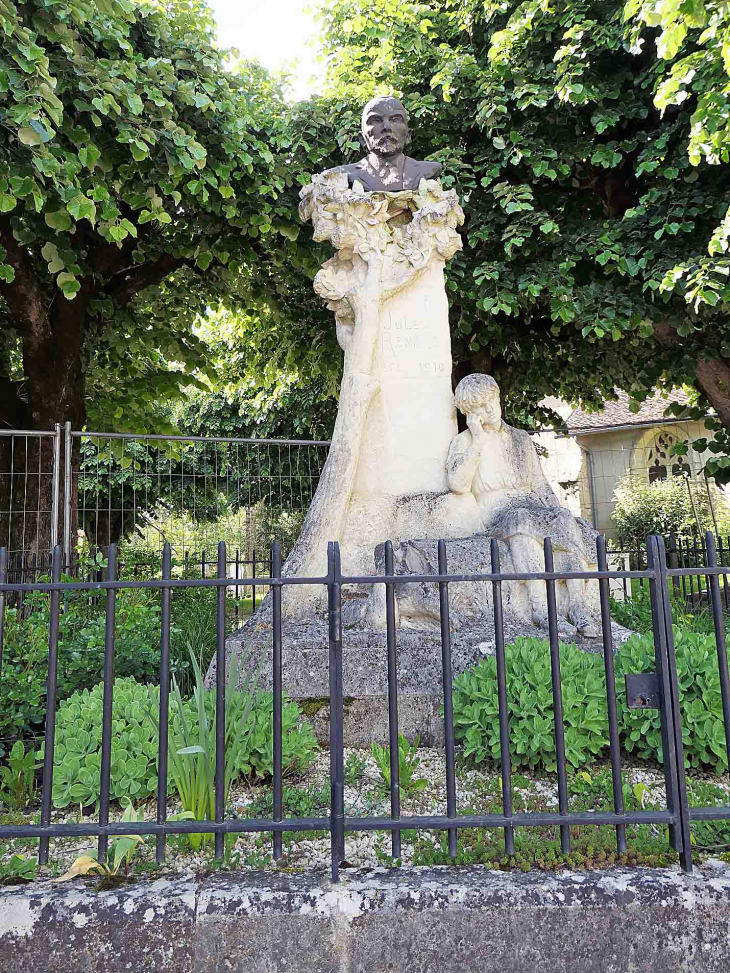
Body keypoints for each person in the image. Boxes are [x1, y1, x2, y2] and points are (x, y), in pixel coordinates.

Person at [446, 373, 601, 638]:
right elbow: (458, 484)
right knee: (521, 522)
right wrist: (478, 440)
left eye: (491, 401)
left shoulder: (520, 439)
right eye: (480, 408)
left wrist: (557, 511)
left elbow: (539, 484)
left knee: (563, 521)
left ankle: (578, 606)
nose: (489, 410)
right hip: (497, 512)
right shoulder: (465, 442)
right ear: (470, 415)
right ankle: (541, 608)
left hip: (530, 506)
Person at [327, 95, 442, 192]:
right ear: (362, 139)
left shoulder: (427, 170)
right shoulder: (343, 174)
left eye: (395, 119)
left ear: (408, 136)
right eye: (376, 120)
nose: (386, 127)